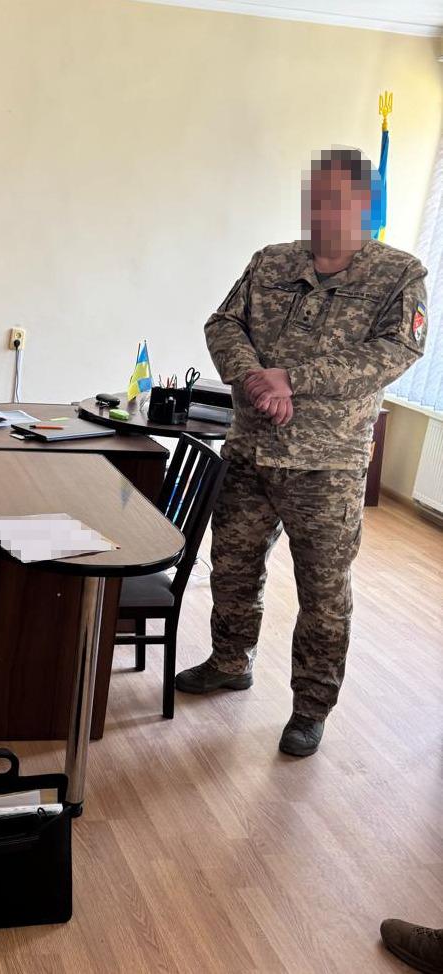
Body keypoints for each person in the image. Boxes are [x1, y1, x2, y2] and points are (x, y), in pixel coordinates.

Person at [176, 147, 428, 756]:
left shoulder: (398, 274)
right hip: (251, 449)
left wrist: (293, 379)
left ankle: (311, 708)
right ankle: (230, 661)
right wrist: (255, 379)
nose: (320, 209)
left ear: (365, 204)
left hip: (327, 466)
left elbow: (396, 353)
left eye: (335, 198)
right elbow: (223, 324)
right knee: (232, 567)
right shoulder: (272, 260)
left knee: (323, 592)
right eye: (314, 196)